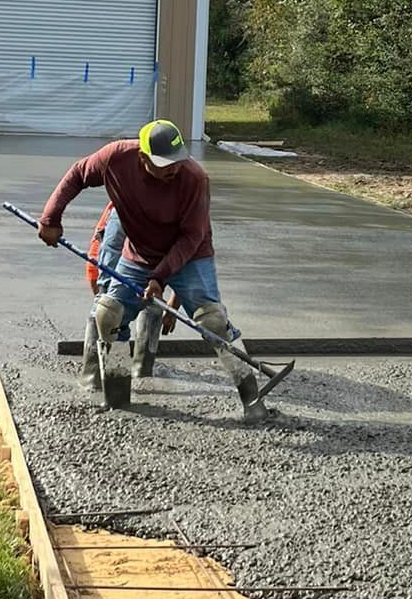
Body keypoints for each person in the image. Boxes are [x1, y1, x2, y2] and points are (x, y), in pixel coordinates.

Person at [38, 120, 264, 418]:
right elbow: (78, 174)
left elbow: (191, 237)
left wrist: (161, 279)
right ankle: (118, 398)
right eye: (164, 164)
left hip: (191, 256)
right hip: (140, 255)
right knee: (109, 313)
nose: (174, 169)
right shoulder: (116, 158)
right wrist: (51, 218)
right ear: (143, 158)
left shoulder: (194, 178)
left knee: (213, 321)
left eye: (177, 161)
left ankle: (253, 401)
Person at [81, 203, 177, 387]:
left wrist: (172, 307)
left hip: (153, 258)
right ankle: (94, 376)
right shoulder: (120, 216)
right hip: (112, 255)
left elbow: (187, 265)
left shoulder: (177, 210)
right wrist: (108, 313)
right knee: (106, 307)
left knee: (153, 302)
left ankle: (142, 370)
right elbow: (99, 280)